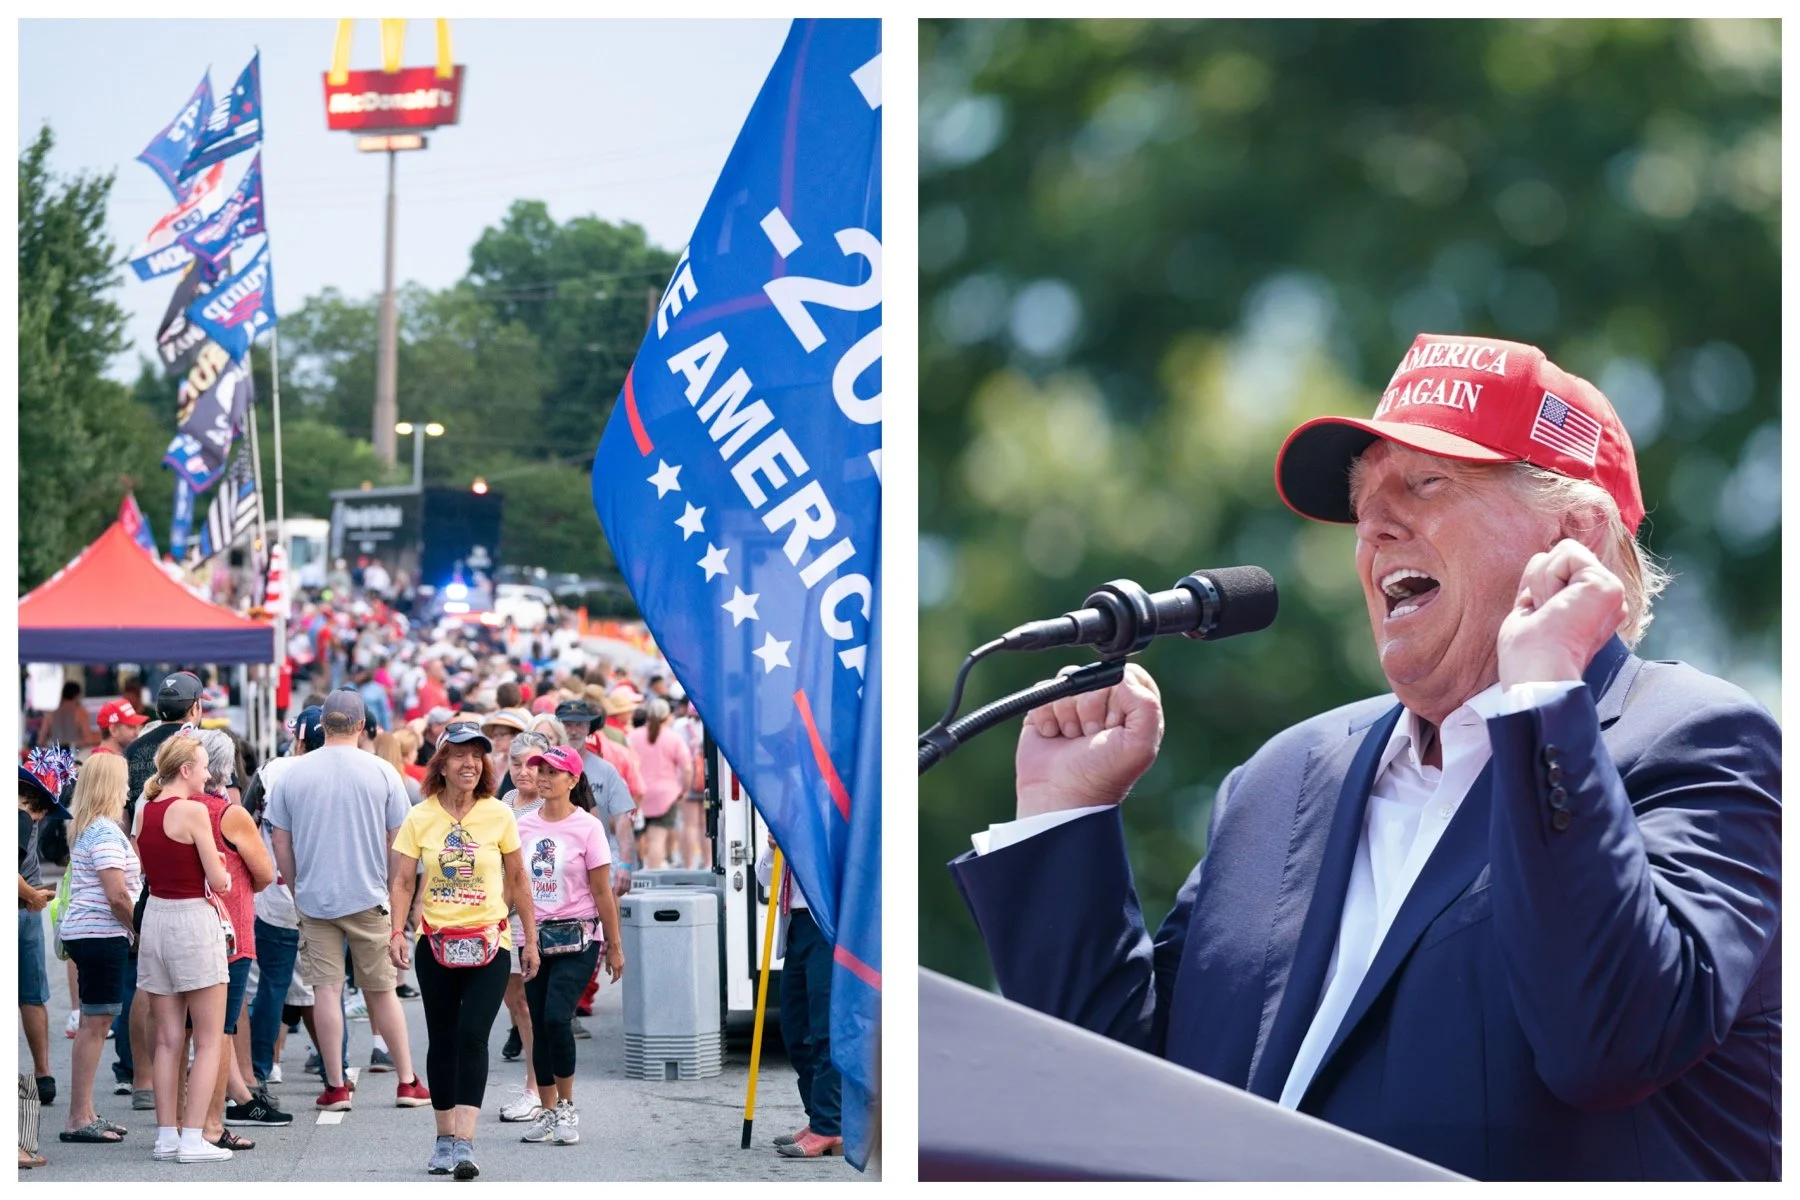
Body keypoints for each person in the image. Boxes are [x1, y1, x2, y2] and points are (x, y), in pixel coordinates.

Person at [949, 333, 1782, 1180]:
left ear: (1574, 533)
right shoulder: (1281, 778)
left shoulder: (1695, 740)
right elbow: (1117, 1111)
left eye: (1427, 482)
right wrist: (1065, 814)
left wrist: (1541, 701)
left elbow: (1608, 1042)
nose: (1376, 526)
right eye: (1363, 499)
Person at [388, 722, 540, 1179]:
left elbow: (518, 880)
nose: (470, 763)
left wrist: (530, 939)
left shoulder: (498, 814)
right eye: (459, 755)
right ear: (442, 764)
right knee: (443, 1038)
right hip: (434, 943)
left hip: (490, 944)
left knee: (474, 1037)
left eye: (477, 755)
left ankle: (466, 1143)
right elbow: (401, 880)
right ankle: (442, 1139)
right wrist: (397, 931)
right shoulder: (420, 817)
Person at [266, 690, 428, 1113]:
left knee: (326, 990)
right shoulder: (382, 772)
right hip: (369, 894)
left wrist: (297, 884)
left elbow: (280, 839)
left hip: (316, 897)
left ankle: (335, 1085)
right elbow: (399, 841)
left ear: (323, 725)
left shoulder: (293, 774)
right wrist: (395, 892)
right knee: (381, 991)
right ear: (360, 726)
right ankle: (407, 1081)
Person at [515, 745, 624, 1146]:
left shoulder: (588, 827)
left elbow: (602, 890)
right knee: (540, 1022)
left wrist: (614, 945)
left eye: (553, 771)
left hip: (579, 936)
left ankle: (566, 1107)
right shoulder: (523, 826)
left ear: (573, 780)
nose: (542, 776)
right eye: (539, 769)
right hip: (533, 938)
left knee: (558, 1018)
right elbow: (515, 884)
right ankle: (546, 1111)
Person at [135, 736, 235, 1164]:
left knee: (168, 1038)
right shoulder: (193, 811)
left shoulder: (145, 808)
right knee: (210, 1038)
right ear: (185, 771)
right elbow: (219, 880)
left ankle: (167, 1136)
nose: (209, 773)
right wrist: (225, 873)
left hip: (156, 915)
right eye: (203, 766)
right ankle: (193, 1137)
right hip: (192, 917)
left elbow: (145, 864)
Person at [188, 730, 282, 1143]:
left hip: (178, 922)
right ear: (223, 769)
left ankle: (178, 1124)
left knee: (177, 1032)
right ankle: (212, 1123)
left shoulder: (164, 807)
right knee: (220, 1028)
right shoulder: (228, 812)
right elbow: (263, 872)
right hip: (229, 923)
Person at [56, 754, 137, 1146]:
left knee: (95, 1022)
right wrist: (138, 927)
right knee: (96, 1024)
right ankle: (77, 1116)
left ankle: (84, 1111)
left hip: (90, 933)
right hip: (102, 934)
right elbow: (117, 893)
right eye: (123, 782)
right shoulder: (105, 832)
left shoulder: (90, 828)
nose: (128, 789)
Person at [245, 708, 321, 1097]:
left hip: (274, 891)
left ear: (301, 737)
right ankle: (333, 1069)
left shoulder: (273, 771)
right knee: (327, 986)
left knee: (273, 985)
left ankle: (260, 1069)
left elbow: (242, 822)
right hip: (327, 893)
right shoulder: (346, 774)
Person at [755, 834, 843, 1158]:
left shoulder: (829, 811)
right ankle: (821, 1117)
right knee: (794, 1030)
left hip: (827, 926)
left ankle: (830, 1124)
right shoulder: (792, 813)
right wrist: (774, 846)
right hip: (797, 927)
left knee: (824, 1030)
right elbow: (764, 876)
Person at [496, 731, 552, 1119]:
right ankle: (534, 1087)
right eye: (516, 764)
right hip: (501, 911)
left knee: (532, 1007)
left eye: (531, 765)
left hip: (536, 915)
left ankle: (535, 1089)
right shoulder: (506, 803)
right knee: (513, 1001)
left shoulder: (551, 807)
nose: (522, 772)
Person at [18, 764, 68, 1109]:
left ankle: (43, 1073)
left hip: (26, 907)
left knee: (32, 995)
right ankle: (42, 1074)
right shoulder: (21, 816)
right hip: (23, 907)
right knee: (32, 995)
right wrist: (33, 895)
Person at [125, 672, 206, 814]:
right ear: (194, 708)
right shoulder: (205, 745)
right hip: (192, 833)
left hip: (139, 834)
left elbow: (123, 810)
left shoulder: (131, 749)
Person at [627, 699, 692, 869]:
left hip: (638, 794)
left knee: (638, 837)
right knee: (657, 839)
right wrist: (684, 789)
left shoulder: (633, 736)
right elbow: (687, 769)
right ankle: (653, 878)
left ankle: (637, 875)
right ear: (667, 716)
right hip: (666, 794)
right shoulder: (673, 738)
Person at [48, 681, 98, 750]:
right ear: (76, 696)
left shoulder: (50, 715)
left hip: (55, 755)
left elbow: (40, 741)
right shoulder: (80, 713)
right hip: (74, 754)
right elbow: (89, 739)